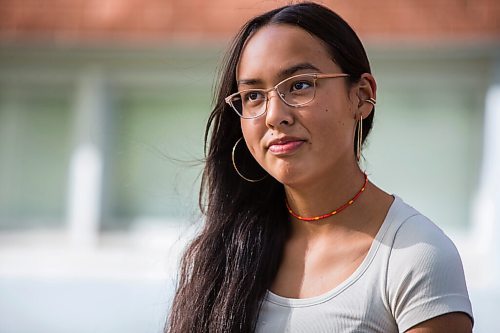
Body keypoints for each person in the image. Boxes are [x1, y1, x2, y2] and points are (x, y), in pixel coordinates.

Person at [166, 2, 473, 332]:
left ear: (361, 96)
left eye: (299, 85)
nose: (274, 116)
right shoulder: (226, 252)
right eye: (253, 95)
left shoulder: (415, 257)